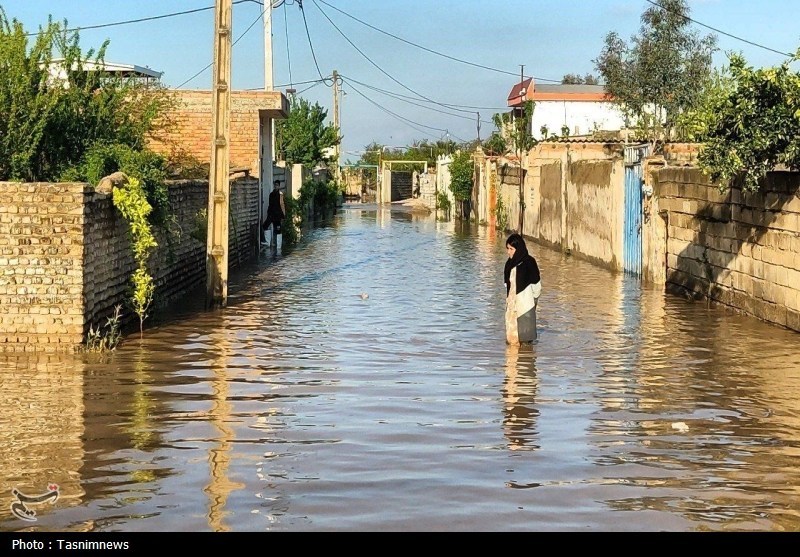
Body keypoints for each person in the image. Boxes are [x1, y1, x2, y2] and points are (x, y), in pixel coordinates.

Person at [504, 233, 541, 344]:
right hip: (511, 306)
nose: (508, 252)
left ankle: (525, 359)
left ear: (518, 248)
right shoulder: (509, 264)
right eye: (508, 248)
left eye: (511, 249)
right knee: (512, 340)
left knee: (525, 339)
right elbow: (507, 285)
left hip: (525, 305)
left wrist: (532, 303)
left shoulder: (529, 263)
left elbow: (537, 286)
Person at [262, 180, 285, 246]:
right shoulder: (271, 194)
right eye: (275, 185)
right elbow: (270, 204)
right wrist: (269, 212)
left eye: (277, 185)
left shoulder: (280, 195)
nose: (276, 186)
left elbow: (282, 205)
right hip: (271, 214)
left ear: (279, 186)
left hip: (278, 215)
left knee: (278, 230)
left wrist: (283, 215)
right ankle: (268, 242)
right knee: (265, 226)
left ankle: (278, 246)